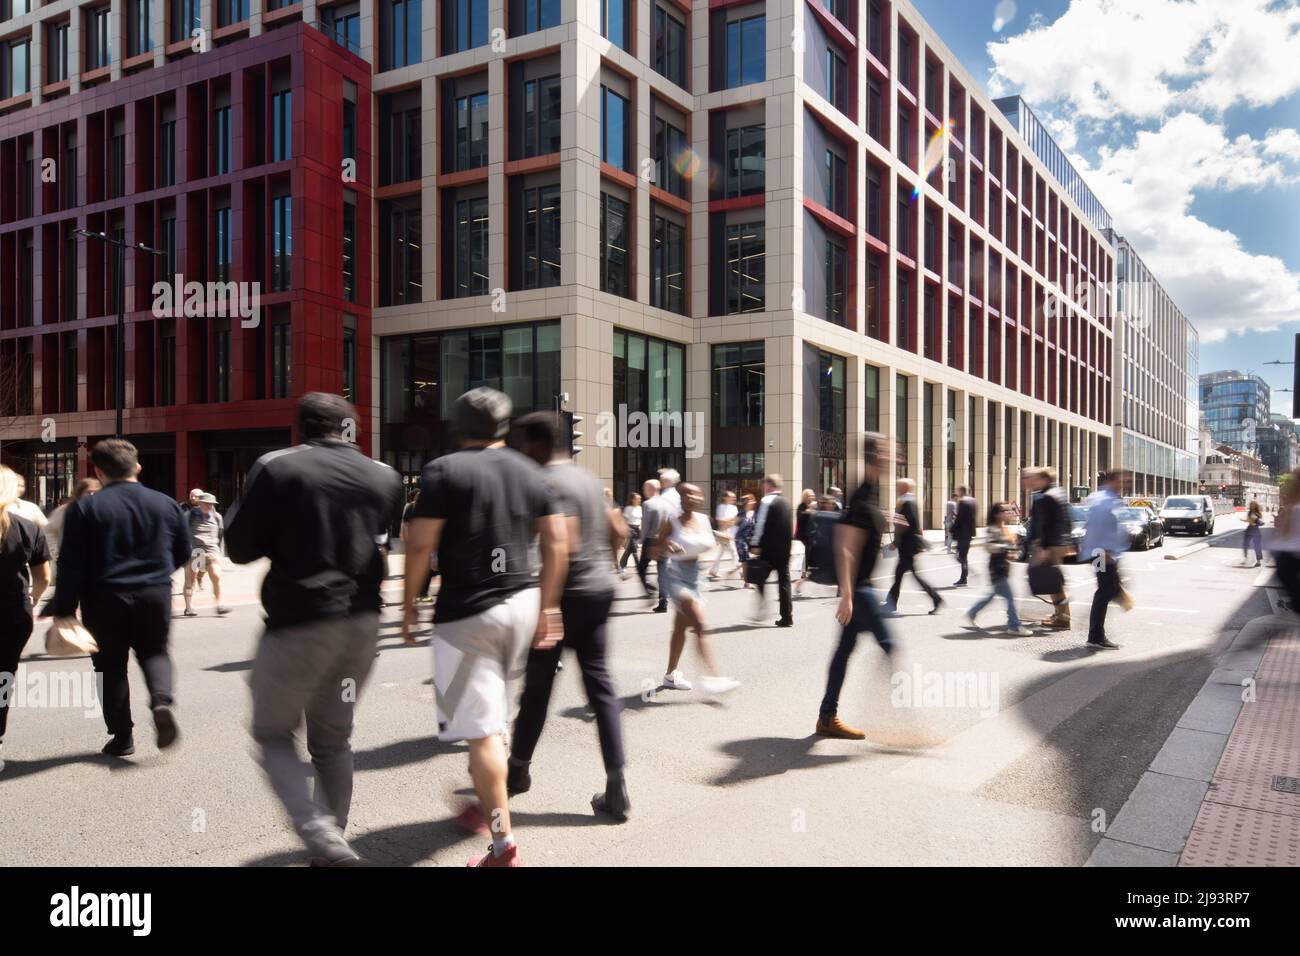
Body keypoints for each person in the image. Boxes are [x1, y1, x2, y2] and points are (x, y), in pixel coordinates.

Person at [225, 393, 403, 866]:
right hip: (364, 623)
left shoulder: (277, 467)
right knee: (334, 739)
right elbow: (382, 541)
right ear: (353, 430)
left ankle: (320, 834)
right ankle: (334, 843)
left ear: (301, 427)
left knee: (273, 733)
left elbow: (239, 548)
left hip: (299, 621)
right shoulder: (386, 476)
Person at [400, 387, 566, 868]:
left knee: (482, 732)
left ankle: (502, 847)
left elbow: (418, 545)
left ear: (457, 426)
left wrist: (410, 601)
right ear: (503, 427)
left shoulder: (444, 470)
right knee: (489, 710)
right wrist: (550, 605)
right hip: (522, 601)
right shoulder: (529, 470)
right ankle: (488, 790)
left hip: (469, 612)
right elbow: (556, 541)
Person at [507, 412, 630, 821]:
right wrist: (609, 564)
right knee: (601, 687)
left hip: (565, 594)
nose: (518, 450)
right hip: (599, 588)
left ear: (537, 444)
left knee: (538, 687)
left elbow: (563, 542)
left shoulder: (545, 483)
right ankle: (617, 786)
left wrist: (548, 605)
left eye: (521, 442)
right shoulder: (589, 479)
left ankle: (518, 771)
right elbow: (619, 529)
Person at [44, 440, 191, 757]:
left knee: (108, 668)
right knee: (155, 653)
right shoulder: (166, 504)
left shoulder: (85, 508)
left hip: (103, 596)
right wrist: (158, 573)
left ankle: (122, 736)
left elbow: (71, 565)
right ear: (137, 466)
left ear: (98, 470)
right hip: (155, 592)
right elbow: (182, 551)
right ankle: (161, 701)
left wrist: (65, 610)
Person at [816, 434, 893, 739]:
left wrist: (886, 519)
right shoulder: (862, 495)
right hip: (861, 590)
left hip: (863, 587)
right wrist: (847, 594)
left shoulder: (872, 492)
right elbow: (845, 546)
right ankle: (896, 721)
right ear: (875, 455)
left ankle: (826, 716)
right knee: (891, 646)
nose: (893, 457)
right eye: (888, 452)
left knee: (843, 651)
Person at [651, 482, 739, 694]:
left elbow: (706, 539)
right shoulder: (672, 522)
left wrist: (722, 537)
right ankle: (713, 677)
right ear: (681, 497)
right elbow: (652, 552)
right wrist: (665, 546)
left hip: (696, 576)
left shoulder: (703, 520)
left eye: (697, 494)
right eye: (689, 494)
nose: (694, 497)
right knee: (699, 622)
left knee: (681, 627)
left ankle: (670, 674)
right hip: (675, 575)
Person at [0, 466, 52, 769]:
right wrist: (31, 601)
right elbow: (43, 577)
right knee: (4, 673)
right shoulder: (27, 527)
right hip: (13, 611)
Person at [1080, 470, 1128, 650]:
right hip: (1101, 553)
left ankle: (1096, 633)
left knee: (1107, 589)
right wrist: (1106, 551)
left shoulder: (1106, 498)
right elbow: (1096, 527)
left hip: (1106, 553)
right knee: (1104, 592)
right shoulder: (1104, 501)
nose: (1124, 485)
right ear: (1113, 481)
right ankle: (1095, 637)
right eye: (1122, 481)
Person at [964, 502, 1029, 634]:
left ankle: (972, 612)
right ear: (997, 514)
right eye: (1005, 511)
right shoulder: (992, 529)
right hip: (996, 567)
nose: (1008, 513)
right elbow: (989, 547)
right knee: (1010, 597)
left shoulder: (1005, 528)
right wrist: (1006, 548)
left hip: (1004, 567)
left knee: (992, 595)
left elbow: (1010, 547)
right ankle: (1014, 626)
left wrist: (1013, 551)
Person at [884, 478, 942, 615]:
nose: (897, 489)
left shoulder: (907, 502)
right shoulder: (910, 501)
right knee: (901, 575)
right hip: (909, 545)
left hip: (907, 546)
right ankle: (891, 603)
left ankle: (891, 603)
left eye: (899, 486)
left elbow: (903, 524)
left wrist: (895, 542)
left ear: (905, 488)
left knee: (901, 575)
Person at [1024, 467, 1072, 628]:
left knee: (1053, 583)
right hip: (1057, 543)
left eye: (1035, 478)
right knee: (1054, 581)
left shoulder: (1046, 497)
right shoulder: (1058, 493)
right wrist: (1067, 541)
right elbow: (1067, 520)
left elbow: (1045, 525)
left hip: (1049, 545)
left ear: (1044, 479)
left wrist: (1043, 548)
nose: (1032, 482)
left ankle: (1063, 618)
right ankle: (1061, 615)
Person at [751, 475, 794, 627]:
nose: (763, 487)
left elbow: (760, 523)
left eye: (764, 485)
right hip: (784, 548)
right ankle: (787, 616)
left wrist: (755, 543)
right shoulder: (787, 502)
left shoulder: (766, 501)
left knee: (757, 576)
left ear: (769, 485)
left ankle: (763, 605)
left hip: (769, 549)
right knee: (784, 583)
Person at [182, 492, 228, 617]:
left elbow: (220, 534)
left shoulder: (217, 516)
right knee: (190, 581)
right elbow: (181, 532)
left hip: (211, 551)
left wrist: (220, 552)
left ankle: (220, 605)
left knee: (216, 576)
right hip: (194, 552)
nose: (209, 506)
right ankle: (189, 607)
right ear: (200, 503)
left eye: (211, 504)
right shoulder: (190, 515)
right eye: (206, 503)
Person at [44, 478, 101, 577]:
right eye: (88, 492)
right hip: (71, 562)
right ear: (80, 493)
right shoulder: (65, 510)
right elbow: (50, 530)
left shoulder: (102, 510)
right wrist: (55, 552)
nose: (92, 495)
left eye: (95, 492)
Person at [639, 479, 670, 611]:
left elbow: (645, 525)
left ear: (650, 489)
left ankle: (650, 589)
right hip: (663, 540)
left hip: (650, 540)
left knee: (641, 568)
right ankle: (663, 601)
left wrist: (641, 540)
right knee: (662, 571)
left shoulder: (647, 504)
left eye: (645, 488)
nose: (644, 491)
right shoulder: (667, 503)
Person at [709, 490, 739, 581]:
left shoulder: (734, 508)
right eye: (731, 496)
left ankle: (713, 570)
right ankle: (740, 569)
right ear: (725, 498)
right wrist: (730, 521)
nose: (733, 498)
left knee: (721, 552)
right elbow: (720, 522)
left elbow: (736, 520)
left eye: (734, 497)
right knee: (733, 551)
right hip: (724, 532)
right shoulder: (720, 507)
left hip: (732, 531)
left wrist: (730, 521)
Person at [793, 492, 819, 597]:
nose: (811, 498)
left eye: (812, 496)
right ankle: (804, 574)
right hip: (805, 535)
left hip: (812, 535)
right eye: (809, 496)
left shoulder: (813, 505)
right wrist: (809, 510)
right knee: (809, 554)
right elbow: (800, 516)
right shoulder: (802, 506)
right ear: (804, 496)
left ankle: (804, 573)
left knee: (809, 554)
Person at [952, 486, 978, 587]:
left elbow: (959, 518)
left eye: (957, 491)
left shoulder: (962, 501)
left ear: (961, 491)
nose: (956, 493)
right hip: (969, 532)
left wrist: (952, 529)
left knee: (960, 556)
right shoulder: (973, 501)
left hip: (962, 533)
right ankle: (965, 576)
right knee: (963, 555)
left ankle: (965, 576)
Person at [733, 493, 757, 586]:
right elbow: (733, 525)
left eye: (751, 500)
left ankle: (744, 573)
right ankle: (747, 581)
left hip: (751, 539)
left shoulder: (755, 514)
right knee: (745, 559)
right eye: (748, 501)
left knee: (749, 560)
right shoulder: (740, 514)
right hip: (741, 539)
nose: (750, 502)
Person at [617, 492, 642, 578]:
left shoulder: (640, 508)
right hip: (630, 529)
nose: (639, 500)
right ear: (632, 499)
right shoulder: (628, 508)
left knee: (630, 550)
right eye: (637, 498)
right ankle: (640, 568)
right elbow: (625, 520)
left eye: (640, 498)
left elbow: (641, 520)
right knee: (634, 549)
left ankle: (622, 564)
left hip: (637, 530)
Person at [1243, 500, 1264, 568]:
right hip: (1249, 529)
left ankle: (1258, 561)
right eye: (1251, 504)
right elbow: (1248, 520)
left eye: (1253, 504)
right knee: (1245, 544)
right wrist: (1245, 520)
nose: (1251, 506)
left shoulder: (1257, 513)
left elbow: (1260, 520)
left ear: (1255, 506)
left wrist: (1256, 520)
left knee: (1257, 546)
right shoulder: (1249, 512)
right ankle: (1245, 557)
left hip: (1255, 530)